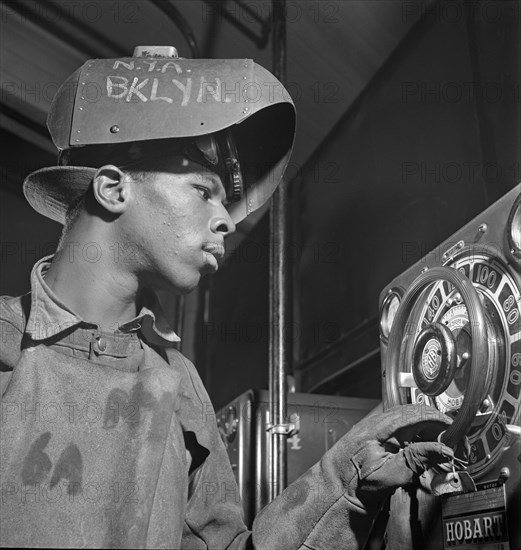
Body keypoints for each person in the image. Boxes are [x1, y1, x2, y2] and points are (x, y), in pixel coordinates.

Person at [0, 47, 460, 549]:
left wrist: (346, 482)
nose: (227, 220)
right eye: (204, 190)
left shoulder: (178, 381)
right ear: (113, 190)